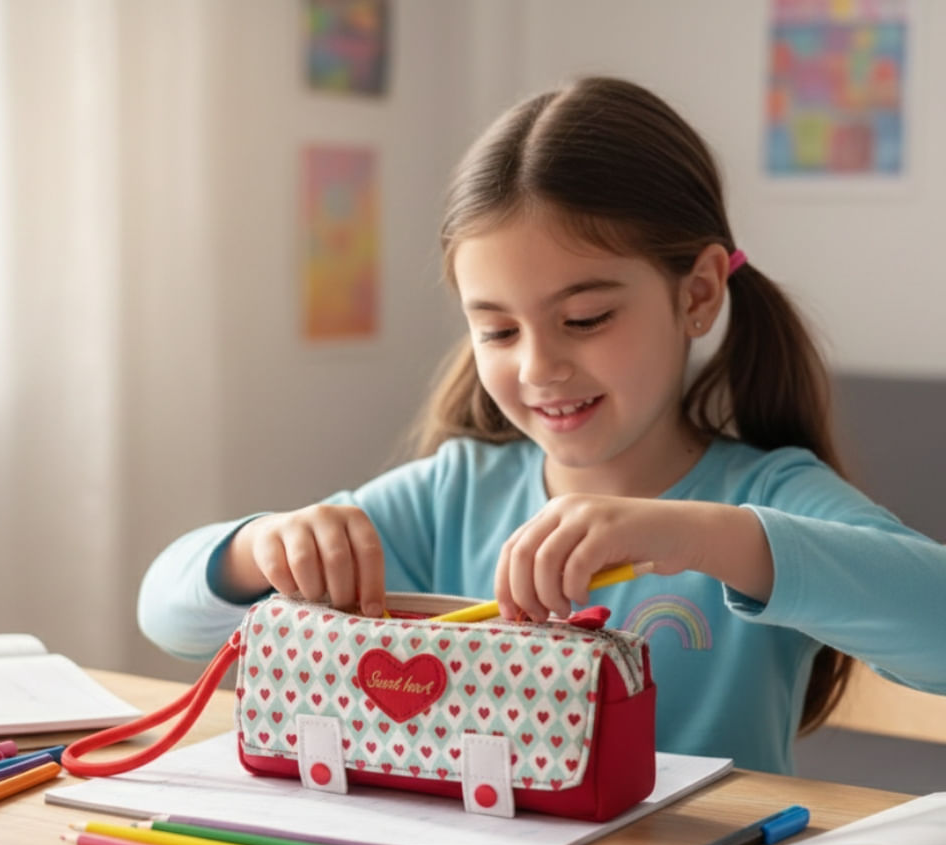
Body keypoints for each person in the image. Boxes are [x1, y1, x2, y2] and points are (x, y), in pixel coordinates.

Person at [138, 76, 946, 774]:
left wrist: (701, 537)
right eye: (496, 330)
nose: (538, 368)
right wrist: (261, 547)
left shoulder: (762, 496)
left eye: (585, 319)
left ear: (698, 294)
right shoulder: (452, 498)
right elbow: (168, 618)